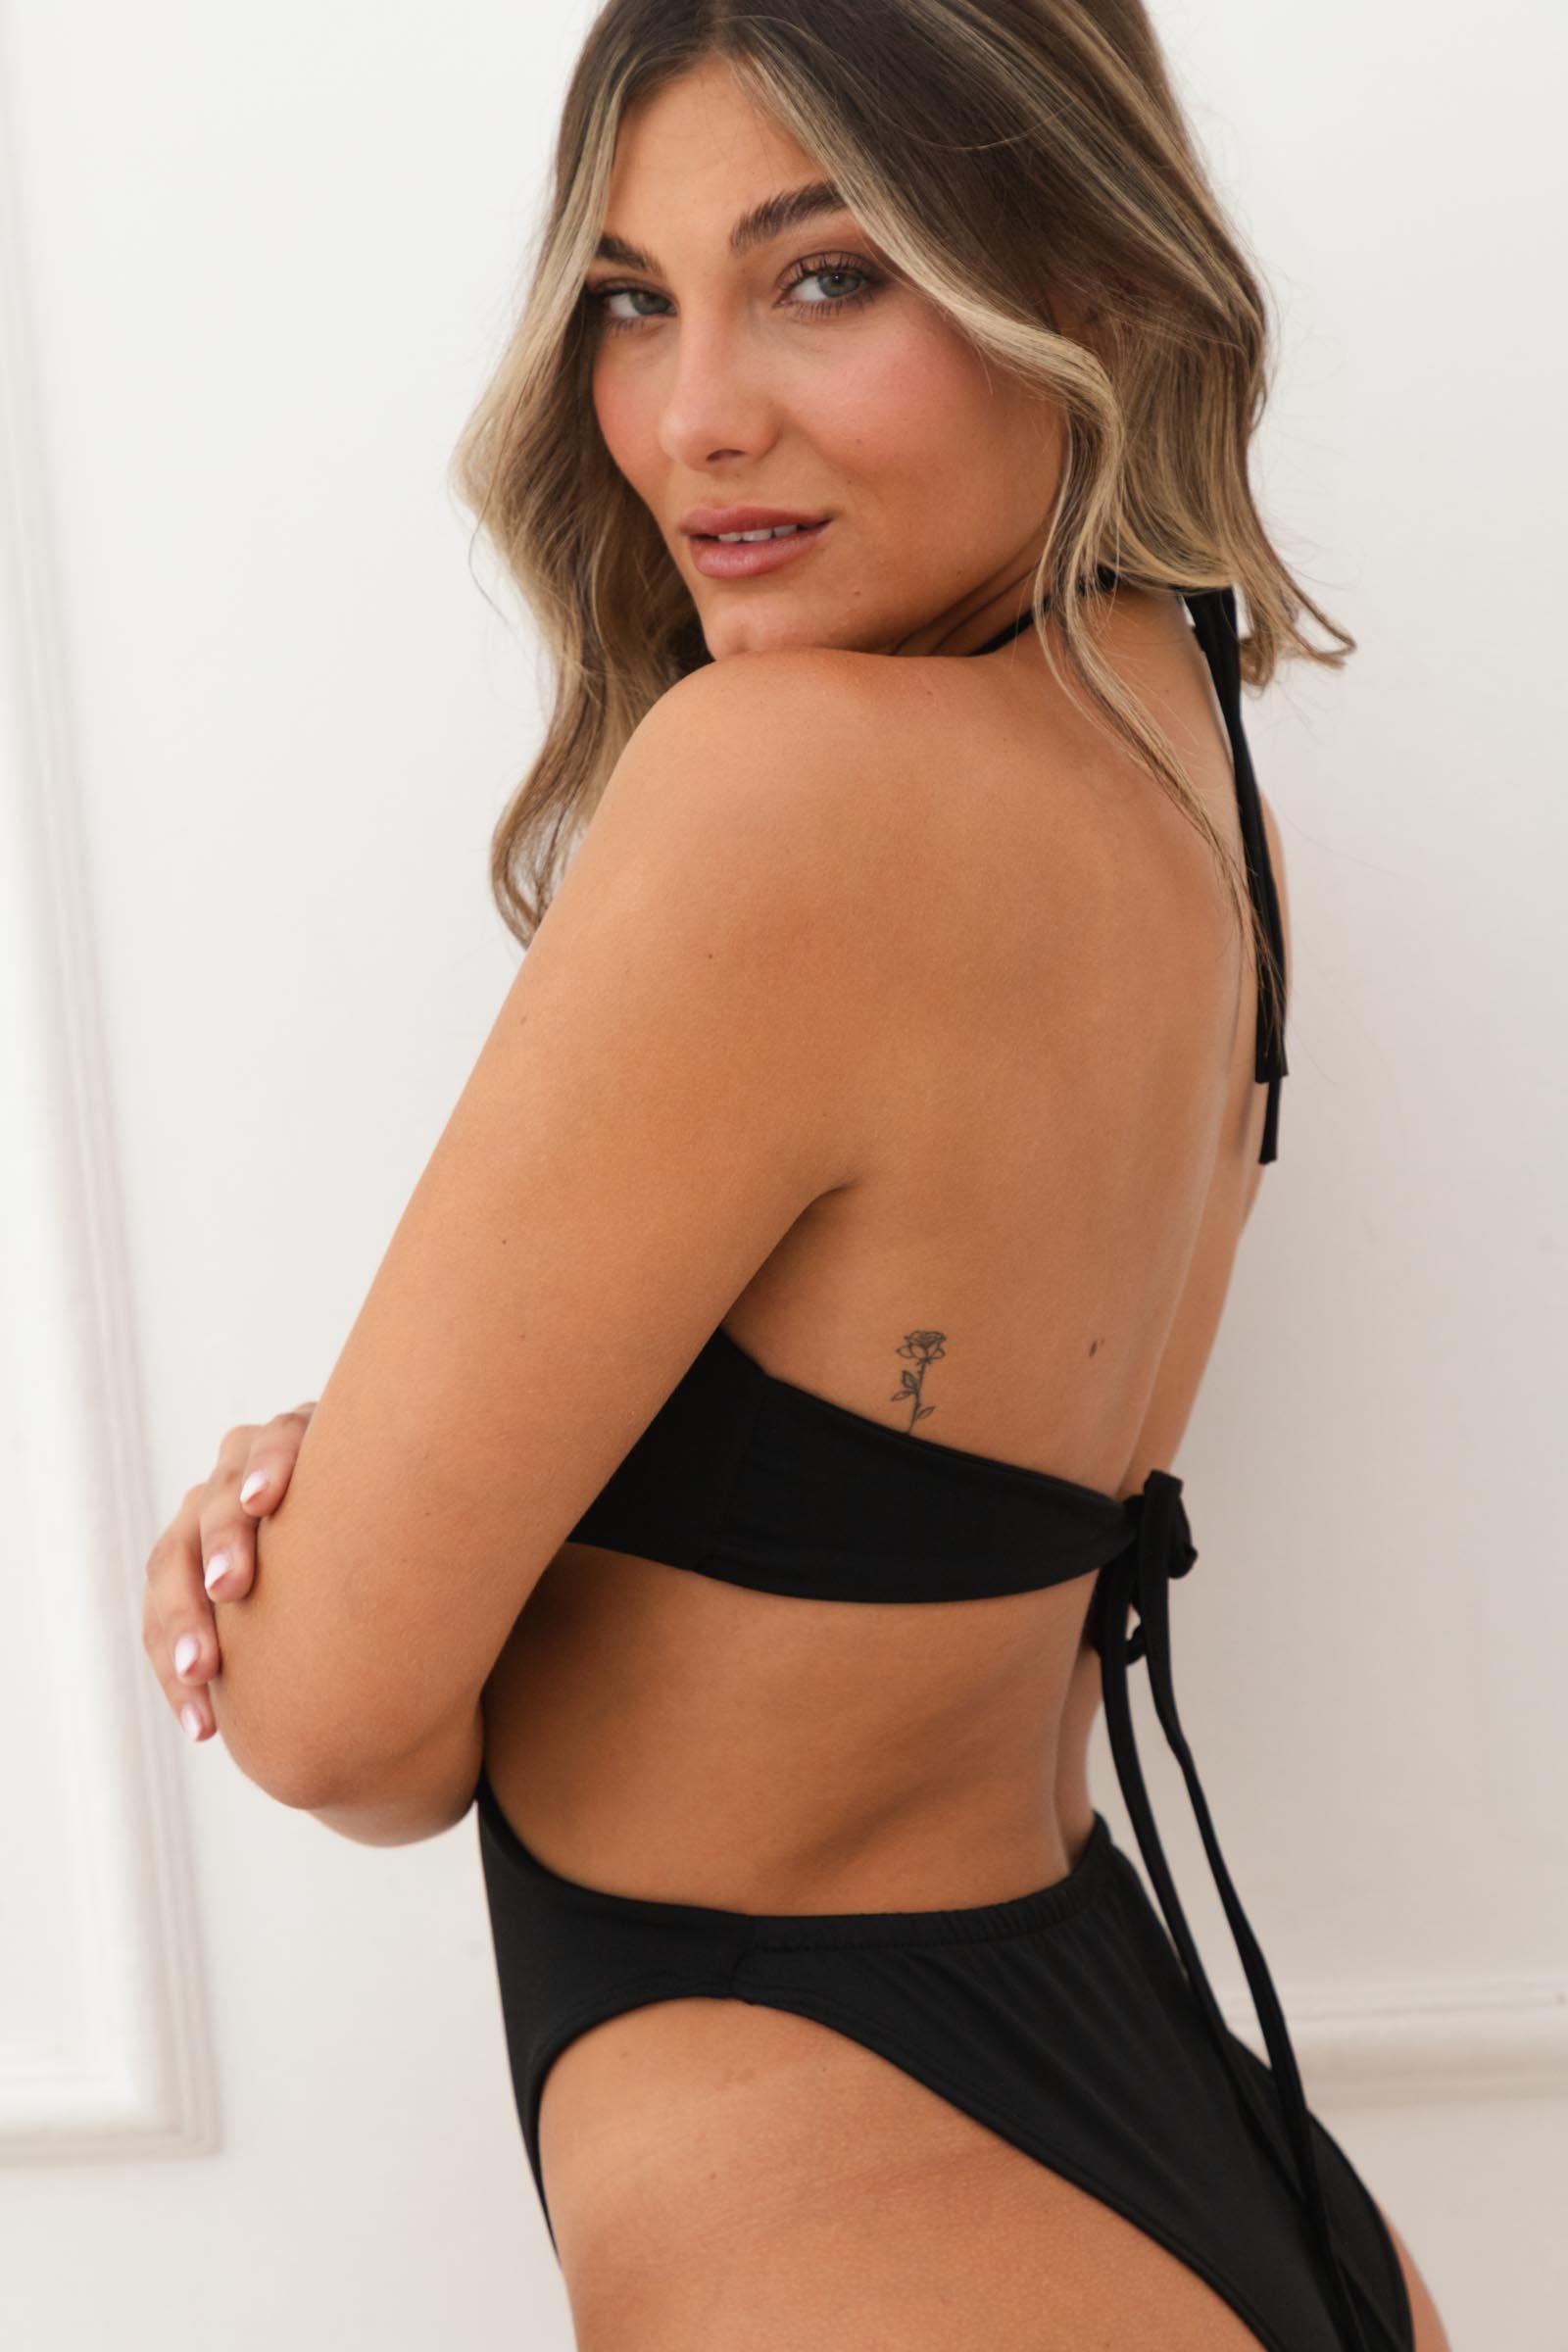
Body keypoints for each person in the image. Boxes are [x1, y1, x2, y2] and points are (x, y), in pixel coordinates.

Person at [142, 4, 1455, 2346]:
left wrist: (333, 1549)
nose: (692, 418)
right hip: (1189, 2141)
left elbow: (340, 1725)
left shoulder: (785, 783)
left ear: (1089, 278)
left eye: (823, 276)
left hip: (845, 2198)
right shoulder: (1181, 745)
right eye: (630, 300)